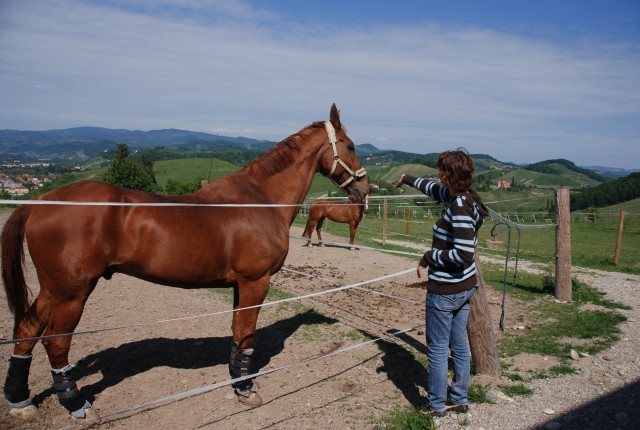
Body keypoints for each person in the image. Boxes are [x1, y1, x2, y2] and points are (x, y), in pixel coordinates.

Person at [394, 148, 488, 417]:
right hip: (465, 287)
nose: (438, 174)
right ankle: (459, 398)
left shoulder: (458, 206)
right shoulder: (464, 197)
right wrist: (409, 179)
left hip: (446, 290)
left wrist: (429, 256)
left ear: (448, 174)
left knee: (436, 348)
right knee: (458, 344)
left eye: (441, 170)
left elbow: (462, 253)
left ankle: (435, 405)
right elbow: (434, 190)